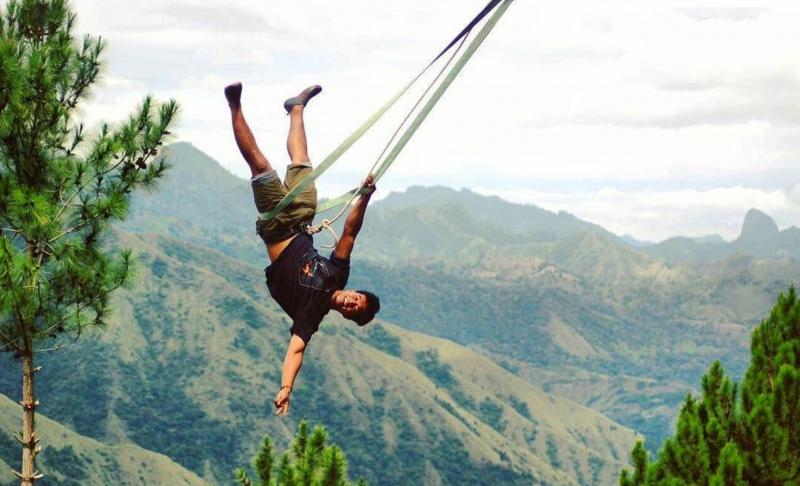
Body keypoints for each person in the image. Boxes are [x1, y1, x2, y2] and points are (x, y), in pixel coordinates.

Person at [224, 82, 381, 416]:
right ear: (353, 291)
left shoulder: (312, 314)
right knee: (302, 160)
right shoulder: (338, 274)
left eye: (355, 309)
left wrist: (285, 388)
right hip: (300, 218)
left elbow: (295, 350)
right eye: (358, 298)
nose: (352, 303)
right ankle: (296, 107)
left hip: (277, 226)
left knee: (260, 165)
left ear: (347, 316)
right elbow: (350, 233)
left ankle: (234, 105)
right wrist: (364, 196)